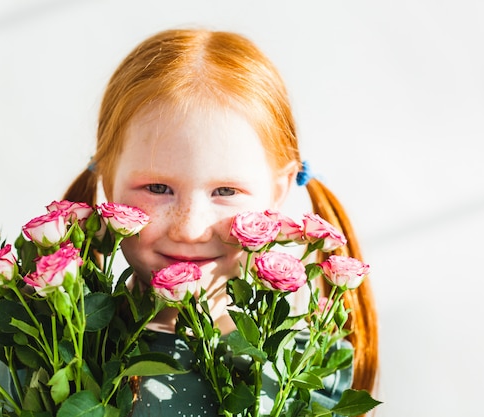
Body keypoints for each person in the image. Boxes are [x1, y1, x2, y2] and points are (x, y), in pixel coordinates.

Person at [61, 28, 379, 416]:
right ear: (108, 183)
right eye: (158, 187)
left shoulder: (305, 366)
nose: (190, 229)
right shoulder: (57, 350)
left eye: (226, 192)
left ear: (277, 193)